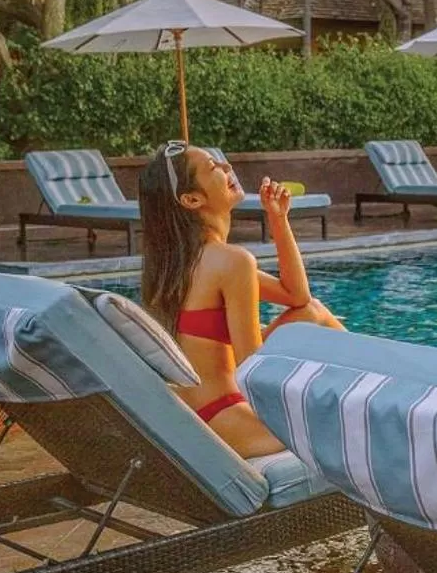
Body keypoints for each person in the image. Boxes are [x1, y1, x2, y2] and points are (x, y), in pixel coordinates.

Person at [138, 141, 343, 457]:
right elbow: (253, 369)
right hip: (231, 416)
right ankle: (383, 385)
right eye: (213, 168)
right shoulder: (232, 262)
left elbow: (296, 296)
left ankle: (377, 381)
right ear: (192, 199)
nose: (226, 167)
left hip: (202, 414)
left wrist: (278, 219)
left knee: (312, 312)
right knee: (353, 422)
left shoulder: (182, 262)